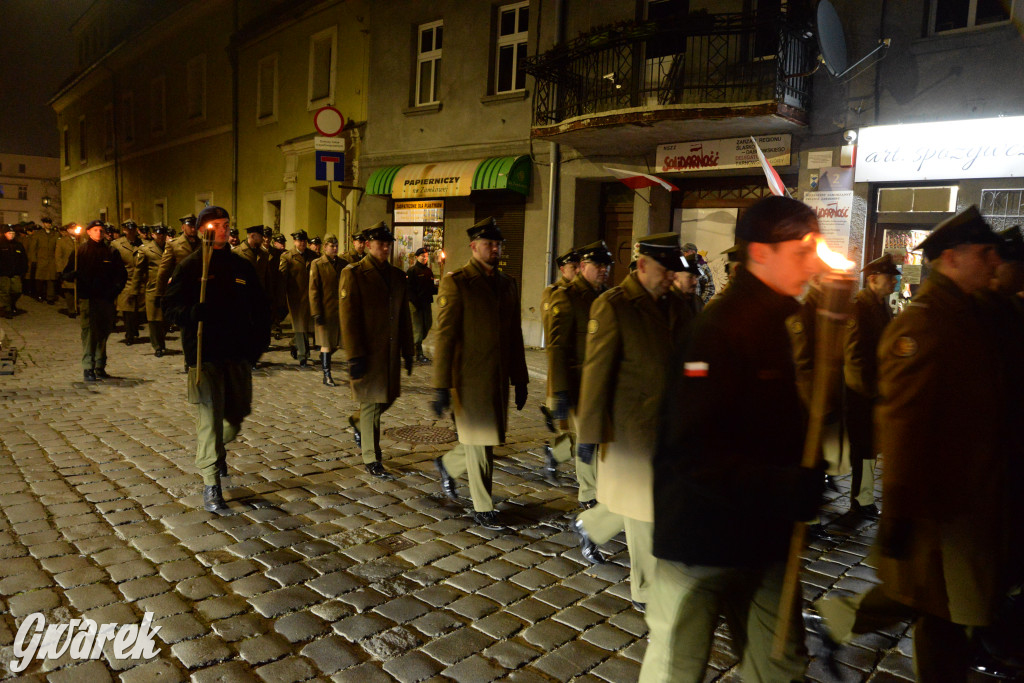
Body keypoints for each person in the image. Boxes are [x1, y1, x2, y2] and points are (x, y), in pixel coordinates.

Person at [812, 207, 1013, 682]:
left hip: (976, 498)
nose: (993, 262)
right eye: (984, 252)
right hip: (942, 505)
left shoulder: (976, 313)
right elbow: (902, 428)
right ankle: (836, 620)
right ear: (952, 257)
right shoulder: (924, 324)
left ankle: (837, 620)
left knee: (937, 603)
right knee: (939, 606)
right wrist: (898, 515)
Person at [641, 196, 824, 682]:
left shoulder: (790, 321)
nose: (814, 264)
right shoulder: (717, 329)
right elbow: (692, 450)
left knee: (780, 664)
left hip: (766, 539)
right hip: (703, 540)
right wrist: (781, 485)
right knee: (676, 667)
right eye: (803, 251)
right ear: (762, 252)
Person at [574, 233, 692, 609]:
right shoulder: (615, 306)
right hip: (631, 432)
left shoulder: (678, 305)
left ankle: (592, 526)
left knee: (646, 503)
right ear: (642, 265)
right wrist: (589, 435)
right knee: (646, 512)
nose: (670, 277)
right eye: (663, 269)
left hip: (671, 429)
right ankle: (646, 590)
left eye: (673, 270)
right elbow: (596, 375)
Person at [162, 206, 270, 513]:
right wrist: (191, 314)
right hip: (204, 355)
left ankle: (216, 452)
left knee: (235, 419)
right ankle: (211, 482)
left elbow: (261, 308)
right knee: (208, 421)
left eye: (225, 225)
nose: (222, 230)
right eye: (215, 225)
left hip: (237, 355)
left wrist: (257, 345)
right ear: (200, 230)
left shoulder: (241, 266)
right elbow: (169, 308)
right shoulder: (189, 267)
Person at [432, 217, 529, 529]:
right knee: (481, 443)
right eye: (489, 244)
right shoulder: (457, 281)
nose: (495, 248)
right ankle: (483, 506)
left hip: (497, 379)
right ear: (474, 247)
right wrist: (441, 385)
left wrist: (521, 377)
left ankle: (448, 465)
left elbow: (514, 334)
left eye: (498, 243)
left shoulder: (507, 284)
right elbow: (445, 336)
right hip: (469, 379)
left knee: (485, 440)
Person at [340, 223, 414, 478]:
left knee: (389, 397)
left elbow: (404, 315)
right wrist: (354, 356)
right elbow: (348, 319)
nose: (385, 247)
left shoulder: (396, 275)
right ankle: (372, 458)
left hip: (390, 352)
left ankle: (357, 421)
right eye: (380, 243)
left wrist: (408, 350)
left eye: (388, 243)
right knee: (372, 405)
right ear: (368, 245)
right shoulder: (354, 273)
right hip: (368, 352)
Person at [546, 241, 612, 512]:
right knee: (587, 438)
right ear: (583, 267)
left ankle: (598, 486)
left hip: (605, 382)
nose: (604, 270)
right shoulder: (567, 296)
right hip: (579, 382)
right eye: (598, 265)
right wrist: (560, 390)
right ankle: (588, 494)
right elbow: (556, 346)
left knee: (601, 439)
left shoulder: (608, 295)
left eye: (606, 265)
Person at [843, 253, 899, 518]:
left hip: (875, 392)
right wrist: (870, 392)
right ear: (874, 279)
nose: (895, 282)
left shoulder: (881, 306)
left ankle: (863, 498)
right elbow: (854, 357)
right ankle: (861, 500)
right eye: (890, 278)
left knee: (870, 449)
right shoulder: (859, 308)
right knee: (863, 449)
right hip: (861, 393)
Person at [62, 220, 128, 381]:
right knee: (89, 333)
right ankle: (88, 367)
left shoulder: (111, 251)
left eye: (101, 230)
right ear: (89, 232)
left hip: (106, 298)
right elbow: (66, 273)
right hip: (88, 298)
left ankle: (100, 365)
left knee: (104, 332)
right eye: (95, 230)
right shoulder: (80, 251)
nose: (99, 232)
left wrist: (114, 291)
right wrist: (73, 275)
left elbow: (121, 275)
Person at [539, 247, 580, 480]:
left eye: (578, 266)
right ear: (563, 269)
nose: (577, 270)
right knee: (577, 427)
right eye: (573, 267)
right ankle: (556, 454)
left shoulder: (582, 292)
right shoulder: (555, 292)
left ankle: (556, 453)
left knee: (583, 428)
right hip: (564, 368)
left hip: (580, 370)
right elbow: (553, 333)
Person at [309, 235, 346, 386]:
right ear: (325, 247)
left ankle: (324, 359)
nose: (335, 248)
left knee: (336, 343)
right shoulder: (317, 264)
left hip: (340, 311)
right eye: (331, 246)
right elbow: (313, 290)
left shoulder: (343, 264)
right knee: (326, 342)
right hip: (325, 310)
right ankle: (327, 375)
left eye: (336, 245)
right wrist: (316, 311)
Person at [280, 230, 316, 366]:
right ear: (294, 242)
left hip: (310, 297)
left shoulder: (313, 256)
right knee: (300, 326)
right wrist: (282, 297)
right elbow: (282, 278)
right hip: (295, 297)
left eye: (304, 241)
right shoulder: (288, 257)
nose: (302, 243)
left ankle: (294, 342)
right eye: (300, 241)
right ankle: (303, 355)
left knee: (307, 327)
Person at [131, 225, 169, 356]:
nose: (161, 237)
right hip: (153, 288)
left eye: (163, 234)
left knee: (166, 319)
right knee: (154, 319)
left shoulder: (170, 248)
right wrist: (134, 290)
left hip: (168, 288)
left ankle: (161, 340)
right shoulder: (146, 250)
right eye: (158, 234)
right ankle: (157, 346)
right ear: (153, 235)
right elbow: (138, 271)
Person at [112, 220, 145, 345]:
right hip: (125, 280)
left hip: (139, 280)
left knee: (138, 310)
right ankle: (129, 334)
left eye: (133, 229)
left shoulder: (143, 244)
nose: (130, 232)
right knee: (127, 310)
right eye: (128, 229)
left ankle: (134, 330)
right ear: (124, 230)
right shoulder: (117, 244)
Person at [157, 214, 200, 297]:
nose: (193, 228)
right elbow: (164, 269)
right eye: (190, 226)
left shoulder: (202, 244)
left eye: (195, 225)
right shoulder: (174, 244)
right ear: (183, 227)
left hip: (198, 287)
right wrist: (159, 293)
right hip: (180, 287)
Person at [406, 246, 436, 363]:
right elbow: (409, 289)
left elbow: (431, 287)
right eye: (422, 256)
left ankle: (413, 344)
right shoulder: (412, 271)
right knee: (418, 329)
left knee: (427, 325)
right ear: (417, 257)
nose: (425, 258)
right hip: (416, 303)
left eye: (426, 256)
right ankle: (418, 353)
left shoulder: (428, 271)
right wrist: (415, 301)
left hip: (426, 303)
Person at [0, 225, 29, 318]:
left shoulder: (18, 245)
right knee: (5, 292)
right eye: (9, 233)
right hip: (3, 273)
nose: (11, 235)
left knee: (17, 290)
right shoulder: (1, 244)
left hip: (15, 273)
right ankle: (7, 309)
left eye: (13, 233)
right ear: (5, 234)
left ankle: (11, 303)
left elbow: (23, 258)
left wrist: (23, 270)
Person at [233, 225, 271, 293]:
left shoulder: (264, 254)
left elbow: (267, 278)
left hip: (259, 296)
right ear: (253, 236)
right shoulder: (237, 252)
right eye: (260, 237)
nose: (263, 240)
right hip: (243, 294)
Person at [31, 218, 59, 304]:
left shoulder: (55, 234)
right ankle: (39, 295)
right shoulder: (38, 234)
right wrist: (34, 260)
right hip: (41, 260)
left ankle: (50, 297)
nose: (48, 225)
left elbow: (57, 247)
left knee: (51, 280)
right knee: (40, 279)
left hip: (51, 260)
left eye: (49, 223)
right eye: (46, 223)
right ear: (43, 224)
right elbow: (33, 248)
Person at [55, 223, 81, 317]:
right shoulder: (62, 241)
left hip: (79, 268)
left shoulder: (81, 240)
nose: (74, 231)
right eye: (72, 229)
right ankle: (71, 310)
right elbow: (58, 257)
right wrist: (60, 270)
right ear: (68, 230)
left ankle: (78, 307)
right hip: (68, 268)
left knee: (78, 289)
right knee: (69, 290)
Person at [266, 233, 288, 340]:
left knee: (281, 307)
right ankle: (274, 327)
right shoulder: (272, 254)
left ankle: (276, 325)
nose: (282, 244)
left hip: (281, 284)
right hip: (271, 283)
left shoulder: (286, 254)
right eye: (280, 243)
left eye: (283, 242)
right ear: (275, 243)